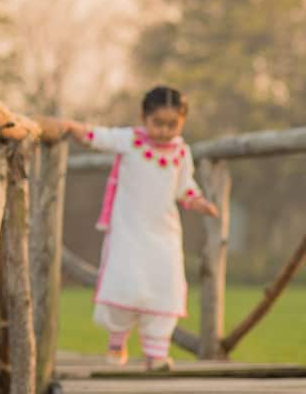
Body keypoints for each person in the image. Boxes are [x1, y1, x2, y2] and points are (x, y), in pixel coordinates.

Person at [48, 86, 218, 371]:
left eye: (172, 125)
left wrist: (199, 202)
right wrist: (69, 126)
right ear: (143, 117)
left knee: (164, 284)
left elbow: (184, 187)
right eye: (158, 123)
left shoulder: (181, 151)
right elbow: (97, 137)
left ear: (182, 122)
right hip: (129, 230)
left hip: (164, 231)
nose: (164, 131)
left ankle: (156, 352)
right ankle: (118, 338)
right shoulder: (129, 140)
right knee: (126, 282)